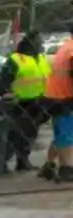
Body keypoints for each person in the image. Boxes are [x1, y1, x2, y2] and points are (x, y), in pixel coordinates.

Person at [0, 32, 51, 172]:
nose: (42, 44)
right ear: (31, 43)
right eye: (39, 41)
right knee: (15, 135)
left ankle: (23, 161)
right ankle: (1, 162)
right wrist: (9, 97)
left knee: (30, 135)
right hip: (20, 104)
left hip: (38, 102)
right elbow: (3, 85)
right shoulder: (16, 59)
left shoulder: (40, 58)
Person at [44, 25, 73, 181]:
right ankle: (66, 169)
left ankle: (49, 166)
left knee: (62, 133)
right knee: (67, 134)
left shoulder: (67, 46)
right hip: (64, 98)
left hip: (54, 96)